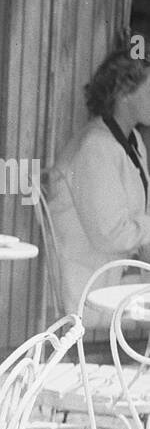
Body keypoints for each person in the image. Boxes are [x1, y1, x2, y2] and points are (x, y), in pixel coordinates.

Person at [48, 44, 150, 323]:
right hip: (94, 294)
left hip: (117, 281)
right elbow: (111, 236)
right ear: (124, 92)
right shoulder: (95, 148)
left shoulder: (131, 142)